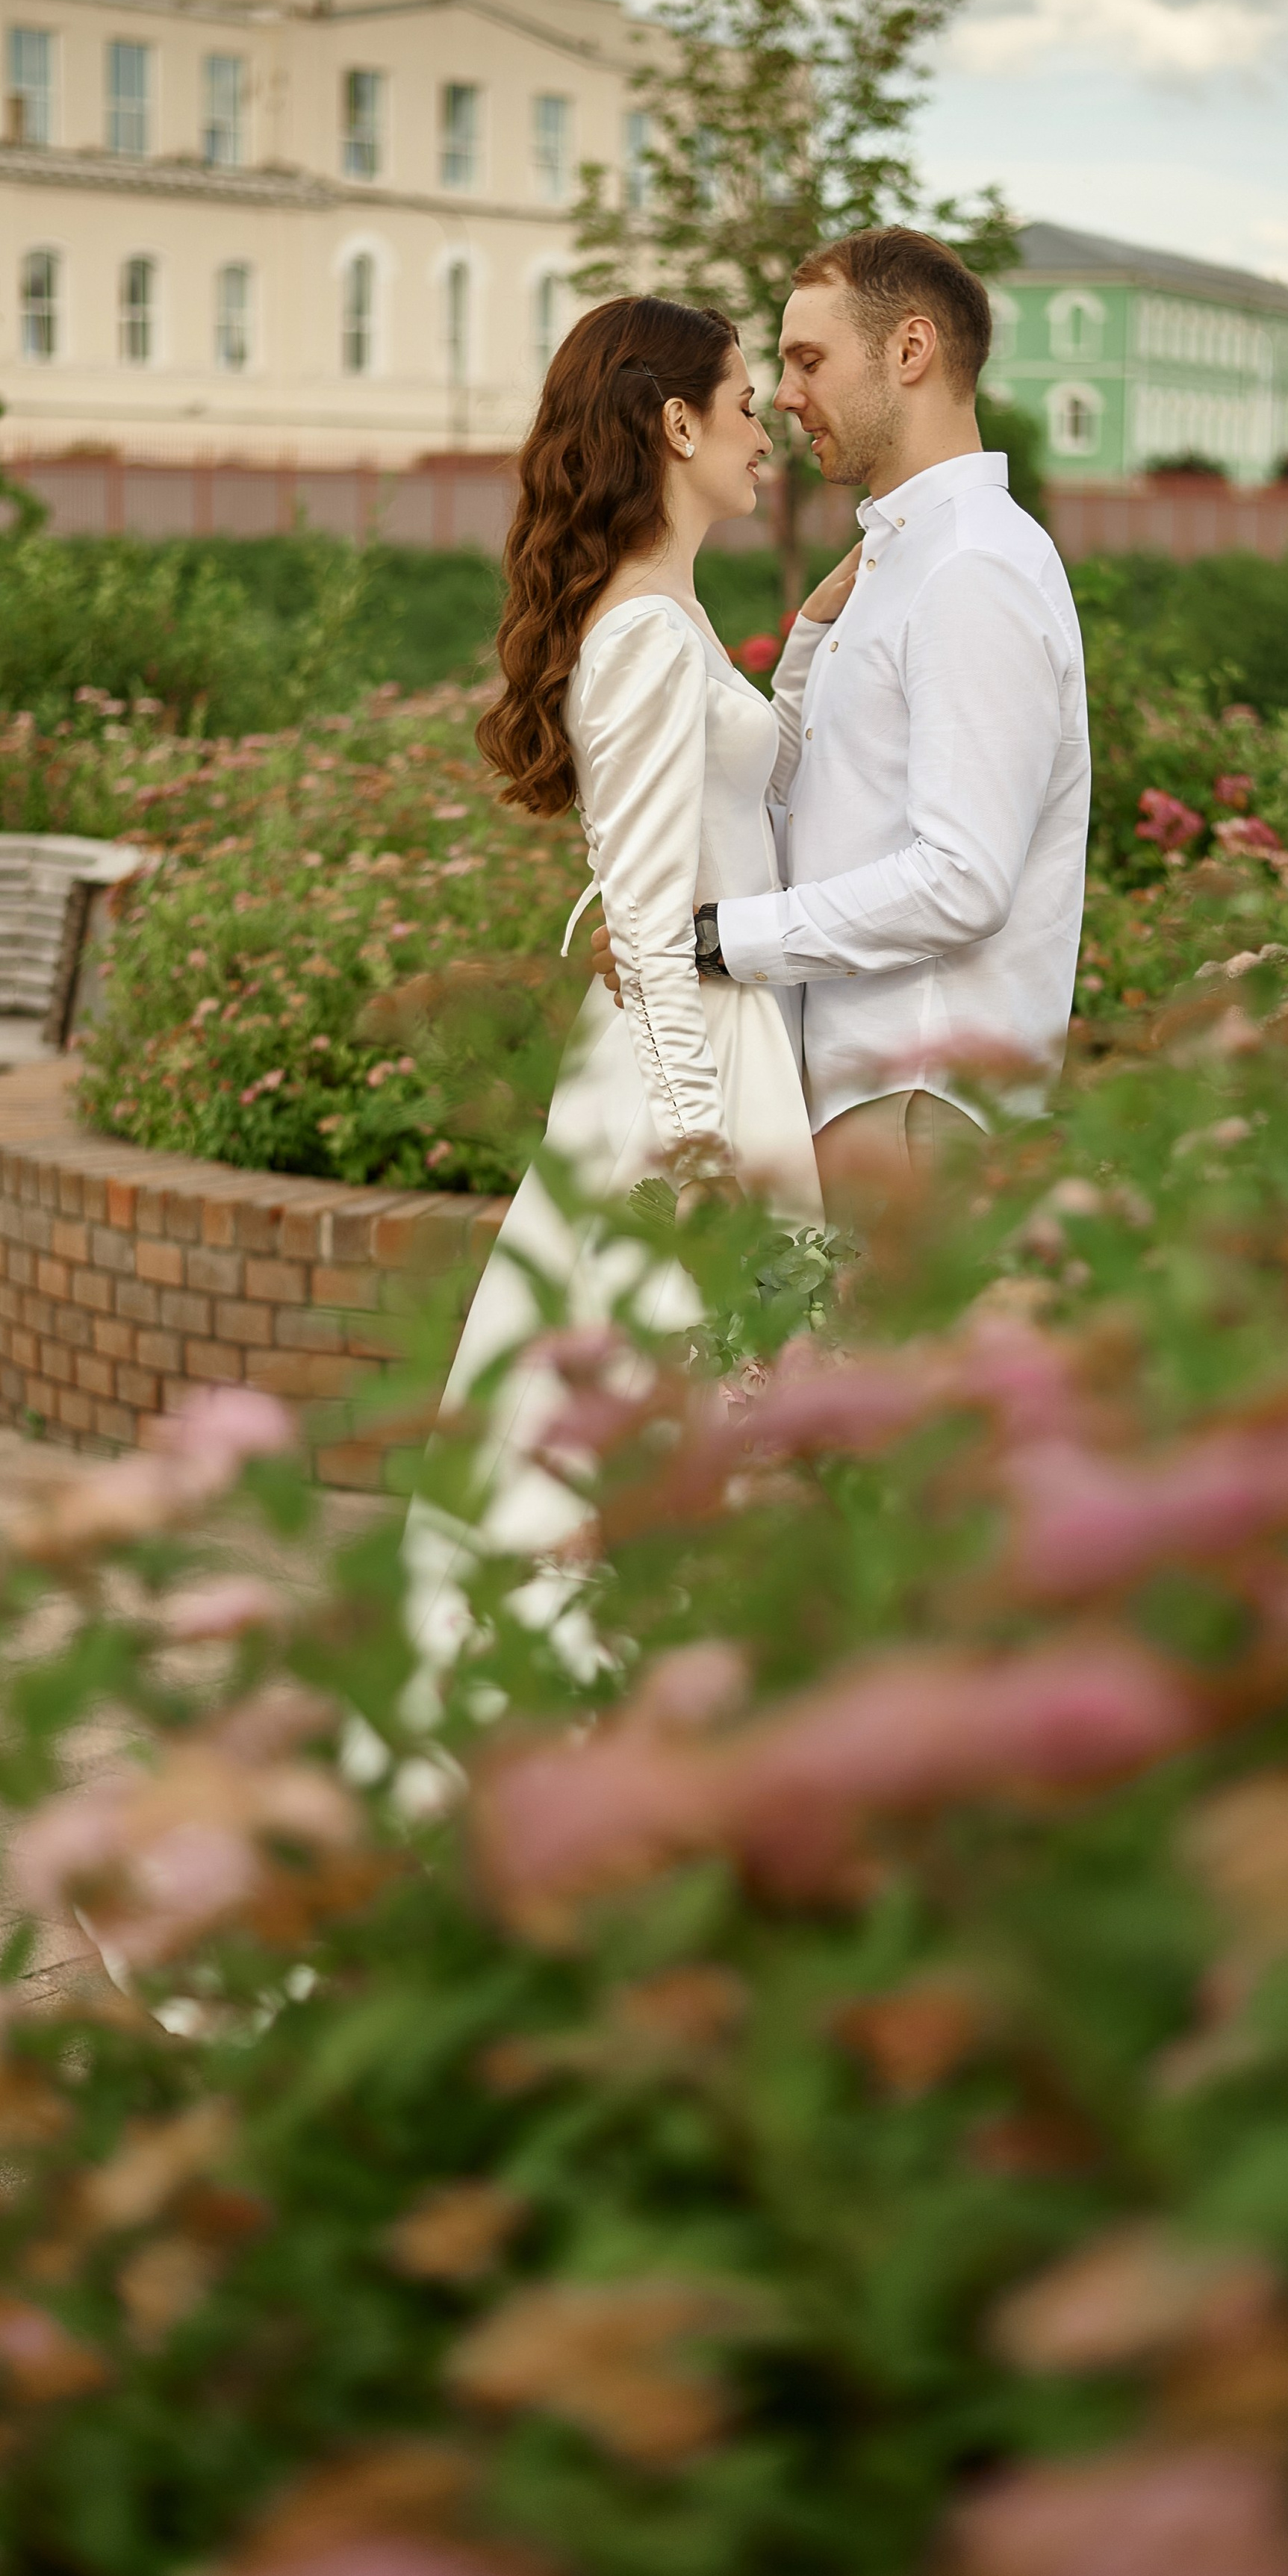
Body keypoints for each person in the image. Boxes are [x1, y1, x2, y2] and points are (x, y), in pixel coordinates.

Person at [415, 293, 822, 1582]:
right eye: (752, 407)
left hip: (712, 1030)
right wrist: (701, 1171)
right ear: (677, 420)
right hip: (688, 1066)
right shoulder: (646, 634)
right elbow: (648, 927)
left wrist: (807, 636)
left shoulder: (671, 616)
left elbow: (749, 792)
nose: (769, 435)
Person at [594, 228, 1090, 1211]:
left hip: (918, 1098)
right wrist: (809, 655)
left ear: (910, 353)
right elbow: (825, 808)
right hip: (863, 1089)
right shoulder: (899, 563)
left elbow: (962, 880)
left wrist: (713, 938)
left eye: (808, 360)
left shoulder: (970, 570)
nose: (782, 394)